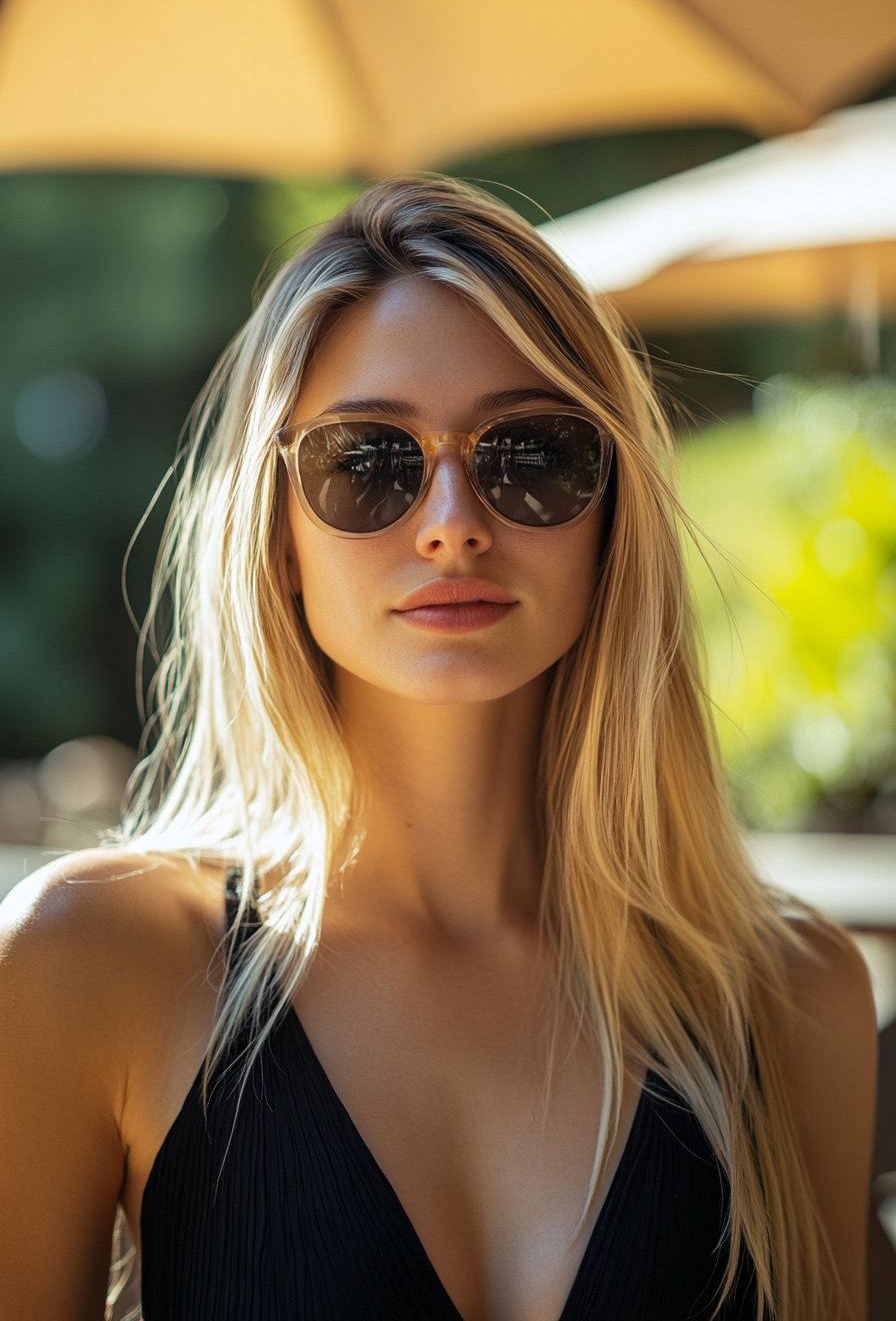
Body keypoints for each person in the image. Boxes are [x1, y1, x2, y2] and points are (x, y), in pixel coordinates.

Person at [0, 177, 877, 1321]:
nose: (452, 519)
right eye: (364, 460)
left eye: (533, 454)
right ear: (276, 533)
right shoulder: (96, 962)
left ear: (615, 514)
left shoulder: (789, 998)